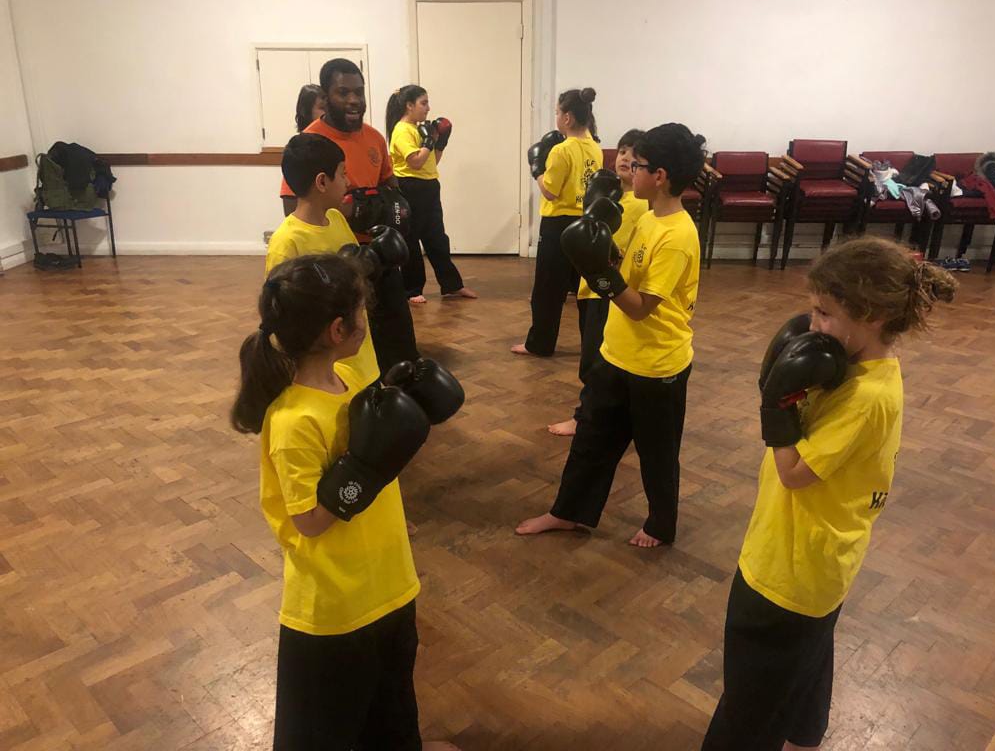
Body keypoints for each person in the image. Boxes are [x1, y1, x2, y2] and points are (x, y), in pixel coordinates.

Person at [701, 238, 958, 751]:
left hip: (790, 568)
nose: (812, 325)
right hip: (821, 560)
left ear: (875, 315)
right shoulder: (856, 370)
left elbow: (794, 471)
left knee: (751, 701)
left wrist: (775, 404)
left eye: (824, 312)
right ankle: (805, 731)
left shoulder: (865, 397)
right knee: (806, 653)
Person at [230, 253, 460, 751]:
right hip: (333, 610)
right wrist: (364, 468)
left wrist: (404, 397)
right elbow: (310, 521)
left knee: (393, 712)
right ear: (339, 330)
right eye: (362, 311)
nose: (368, 320)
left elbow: (379, 447)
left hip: (390, 585)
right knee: (323, 734)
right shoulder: (293, 421)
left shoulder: (351, 383)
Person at [516, 123, 706, 548]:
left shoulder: (677, 235)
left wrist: (598, 273)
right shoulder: (651, 218)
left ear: (659, 176)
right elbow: (628, 271)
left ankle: (661, 523)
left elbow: (640, 307)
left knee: (657, 454)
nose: (628, 171)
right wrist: (603, 254)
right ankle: (567, 513)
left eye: (636, 165)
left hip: (657, 365)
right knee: (590, 442)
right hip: (616, 353)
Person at [279, 58, 419, 375]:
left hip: (381, 253)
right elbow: (292, 204)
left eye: (359, 91)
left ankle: (401, 395)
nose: (354, 100)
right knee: (346, 344)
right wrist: (342, 218)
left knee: (395, 336)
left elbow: (390, 186)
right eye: (343, 92)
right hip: (338, 262)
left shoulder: (374, 138)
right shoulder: (309, 142)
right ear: (326, 97)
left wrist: (383, 204)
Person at [548, 128, 647, 437]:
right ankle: (611, 414)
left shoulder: (641, 206)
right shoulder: (606, 195)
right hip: (588, 287)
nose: (625, 158)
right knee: (594, 355)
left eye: (634, 155)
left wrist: (611, 257)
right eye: (621, 152)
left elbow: (629, 251)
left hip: (610, 290)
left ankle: (584, 418)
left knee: (595, 359)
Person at [511, 87, 603, 357]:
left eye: (556, 112)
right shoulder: (595, 148)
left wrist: (536, 168)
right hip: (586, 222)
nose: (556, 117)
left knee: (548, 290)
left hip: (558, 224)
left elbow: (550, 190)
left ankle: (539, 344)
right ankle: (592, 346)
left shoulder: (561, 150)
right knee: (584, 289)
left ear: (567, 118)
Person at [386, 84, 477, 304]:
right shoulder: (402, 130)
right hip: (409, 188)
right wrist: (428, 141)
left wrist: (440, 142)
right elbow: (415, 162)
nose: (428, 108)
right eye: (423, 103)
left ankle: (451, 285)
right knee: (411, 239)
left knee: (437, 238)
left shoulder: (418, 129)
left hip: (429, 187)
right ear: (409, 105)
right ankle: (412, 289)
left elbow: (431, 161)